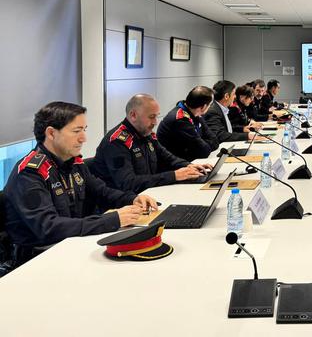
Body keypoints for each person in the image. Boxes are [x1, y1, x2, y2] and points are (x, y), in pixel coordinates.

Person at [3, 102, 158, 265]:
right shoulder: (30, 173)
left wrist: (132, 199)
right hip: (39, 259)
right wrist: (113, 220)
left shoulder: (73, 162)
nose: (84, 138)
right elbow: (49, 228)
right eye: (76, 131)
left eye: (84, 130)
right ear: (51, 133)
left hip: (73, 244)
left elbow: (102, 192)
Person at [92, 94, 210, 193]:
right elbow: (128, 183)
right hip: (122, 205)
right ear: (133, 115)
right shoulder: (117, 142)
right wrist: (174, 175)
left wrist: (188, 166)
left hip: (148, 194)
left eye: (156, 116)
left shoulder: (146, 134)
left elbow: (168, 158)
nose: (155, 122)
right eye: (151, 117)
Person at [156, 86, 219, 162]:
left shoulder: (195, 113)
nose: (210, 107)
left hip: (188, 161)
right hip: (174, 165)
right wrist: (204, 144)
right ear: (204, 107)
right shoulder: (180, 120)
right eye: (210, 105)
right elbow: (203, 151)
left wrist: (204, 145)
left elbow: (215, 140)